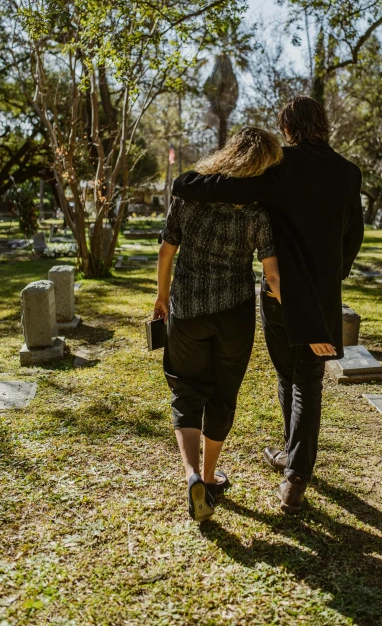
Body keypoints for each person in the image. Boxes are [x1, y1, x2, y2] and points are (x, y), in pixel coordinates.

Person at [172, 96, 364, 512]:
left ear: (288, 128)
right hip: (322, 298)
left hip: (279, 294)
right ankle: (295, 474)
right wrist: (334, 273)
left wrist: (184, 182)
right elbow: (354, 236)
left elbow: (223, 187)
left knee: (286, 375)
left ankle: (293, 465)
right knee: (308, 382)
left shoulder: (281, 166)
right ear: (324, 125)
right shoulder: (349, 173)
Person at [154, 127, 283, 522]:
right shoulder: (259, 213)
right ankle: (210, 478)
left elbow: (166, 251)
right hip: (235, 313)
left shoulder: (188, 198)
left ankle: (191, 474)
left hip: (188, 309)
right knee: (223, 394)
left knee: (187, 390)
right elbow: (273, 277)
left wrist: (162, 296)